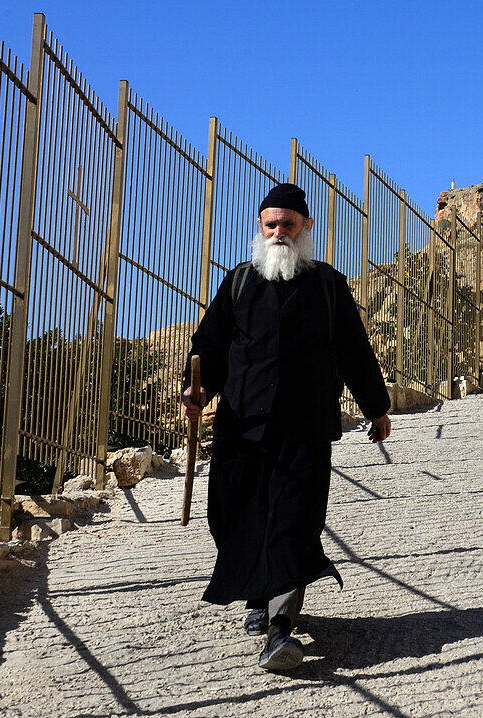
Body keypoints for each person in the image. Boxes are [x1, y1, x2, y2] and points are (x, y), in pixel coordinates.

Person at [181, 182, 391, 673]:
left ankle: (280, 629)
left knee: (293, 523)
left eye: (288, 225)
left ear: (306, 229)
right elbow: (208, 346)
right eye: (271, 224)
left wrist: (376, 408)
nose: (279, 233)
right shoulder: (237, 283)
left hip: (304, 430)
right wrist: (198, 389)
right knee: (235, 518)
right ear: (260, 227)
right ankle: (259, 591)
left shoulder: (327, 286)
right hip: (241, 429)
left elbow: (354, 352)